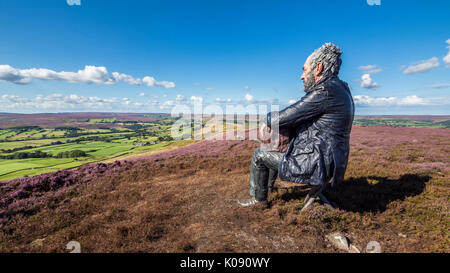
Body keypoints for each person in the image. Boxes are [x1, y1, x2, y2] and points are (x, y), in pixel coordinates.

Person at [237, 42, 355, 208]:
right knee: (274, 149)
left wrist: (268, 118)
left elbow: (284, 116)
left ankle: (259, 200)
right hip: (331, 162)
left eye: (304, 70)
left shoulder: (324, 91)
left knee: (260, 155)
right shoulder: (342, 89)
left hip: (315, 164)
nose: (302, 76)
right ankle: (268, 188)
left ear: (318, 68)